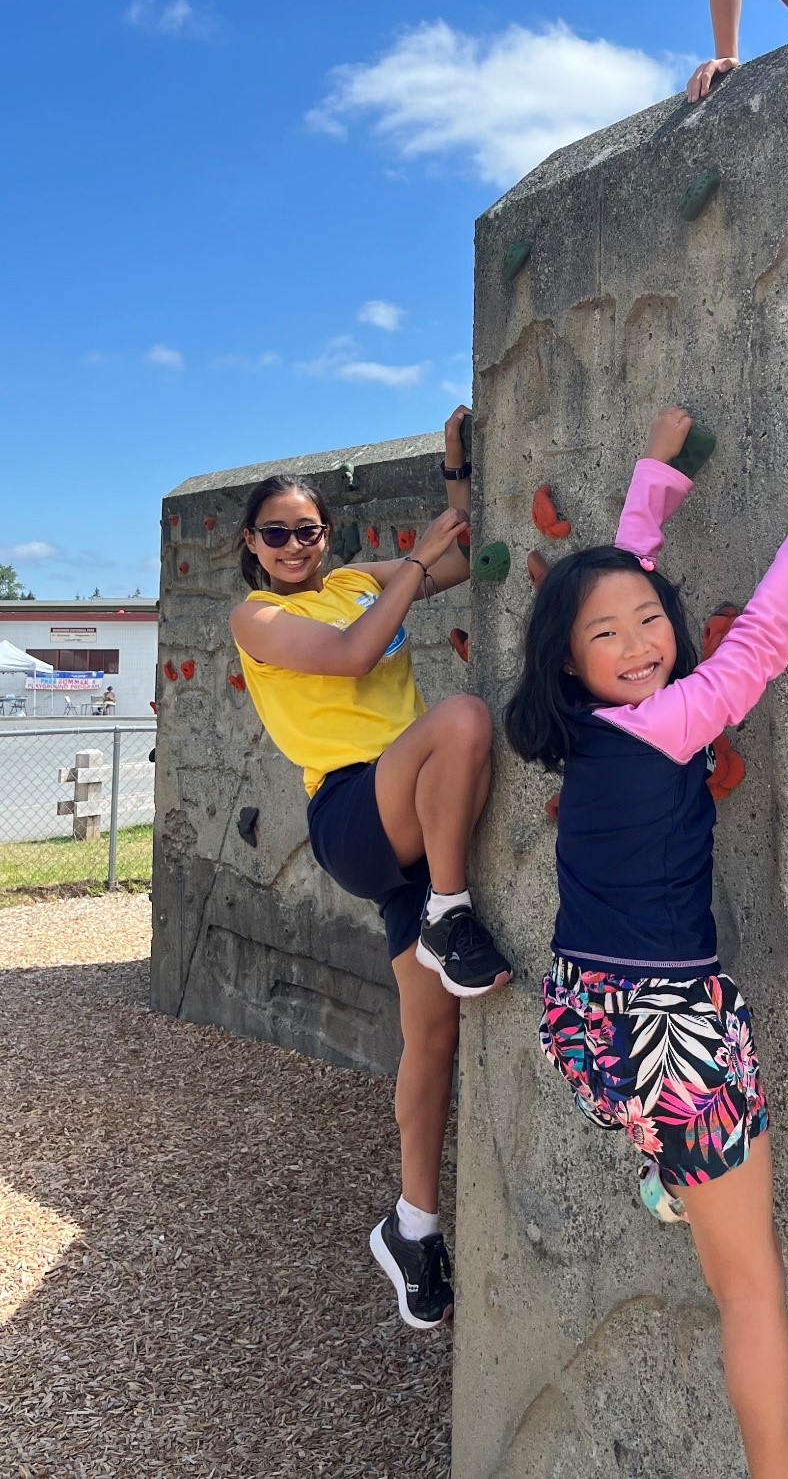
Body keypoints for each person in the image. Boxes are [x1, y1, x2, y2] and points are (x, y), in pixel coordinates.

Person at [504, 407, 788, 1479]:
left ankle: (665, 1167)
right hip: (668, 1035)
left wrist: (655, 478)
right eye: (606, 638)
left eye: (646, 621)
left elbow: (613, 586)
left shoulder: (595, 729)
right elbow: (759, 642)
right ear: (569, 665)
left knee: (678, 1146)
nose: (638, 642)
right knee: (748, 1286)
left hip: (582, 1020)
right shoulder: (669, 718)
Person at [230, 406, 508, 1333]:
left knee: (432, 1038)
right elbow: (352, 658)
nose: (297, 544)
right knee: (465, 718)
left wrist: (456, 472)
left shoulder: (354, 578)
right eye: (279, 533)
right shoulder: (259, 614)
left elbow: (463, 558)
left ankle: (413, 1226)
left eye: (309, 529)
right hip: (354, 808)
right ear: (253, 547)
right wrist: (419, 564)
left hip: (420, 819)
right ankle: (450, 910)